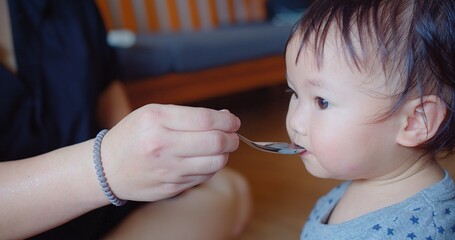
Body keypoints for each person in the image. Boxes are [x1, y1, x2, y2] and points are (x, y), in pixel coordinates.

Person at [0, 0, 250, 239]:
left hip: (97, 211)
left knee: (230, 189)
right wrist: (107, 165)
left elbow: (113, 109)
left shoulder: (75, 7)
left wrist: (160, 163)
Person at [284, 0, 455, 239]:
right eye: (294, 93)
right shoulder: (360, 180)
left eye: (322, 102)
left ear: (416, 121)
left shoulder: (426, 229)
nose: (295, 122)